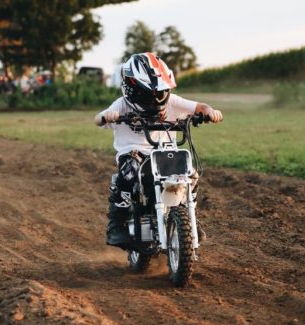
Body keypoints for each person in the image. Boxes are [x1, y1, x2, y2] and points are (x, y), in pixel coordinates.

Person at [94, 52, 223, 246]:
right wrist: (108, 116)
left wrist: (209, 112)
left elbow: (200, 106)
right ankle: (117, 223)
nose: (156, 98)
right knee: (129, 173)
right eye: (148, 94)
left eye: (161, 92)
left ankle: (190, 216)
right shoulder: (122, 104)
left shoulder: (172, 101)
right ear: (131, 89)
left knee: (192, 176)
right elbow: (98, 119)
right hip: (133, 152)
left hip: (163, 151)